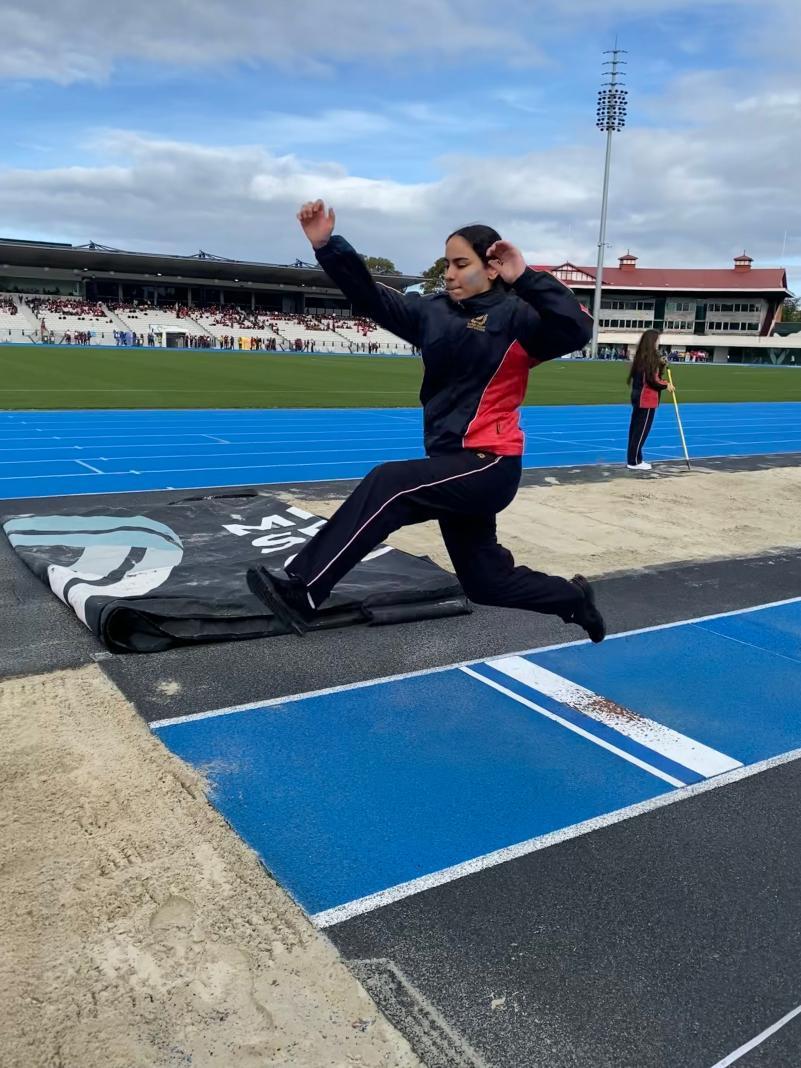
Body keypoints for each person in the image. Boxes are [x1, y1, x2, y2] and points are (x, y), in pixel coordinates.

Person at [247, 199, 605, 643]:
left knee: (390, 483)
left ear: (492, 268)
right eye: (447, 264)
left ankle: (304, 588)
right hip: (449, 463)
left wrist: (525, 276)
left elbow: (577, 328)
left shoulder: (519, 318)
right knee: (485, 583)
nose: (449, 274)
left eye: (461, 264)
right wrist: (327, 246)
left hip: (490, 464)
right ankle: (573, 600)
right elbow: (370, 296)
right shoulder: (432, 312)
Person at [626, 328, 674, 471]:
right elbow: (653, 380)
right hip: (646, 398)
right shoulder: (649, 358)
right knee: (641, 430)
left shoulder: (642, 356)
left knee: (636, 429)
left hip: (639, 396)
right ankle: (634, 461)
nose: (658, 342)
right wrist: (666, 385)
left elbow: (653, 376)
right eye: (657, 340)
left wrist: (661, 365)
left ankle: (634, 459)